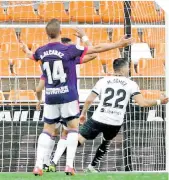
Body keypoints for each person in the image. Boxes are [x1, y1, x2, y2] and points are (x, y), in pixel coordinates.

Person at [21, 18, 133, 176]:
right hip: (68, 96)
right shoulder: (68, 50)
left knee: (47, 130)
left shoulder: (41, 51)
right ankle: (69, 166)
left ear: (47, 34)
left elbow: (31, 56)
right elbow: (94, 50)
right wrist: (117, 44)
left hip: (51, 96)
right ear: (60, 32)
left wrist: (25, 50)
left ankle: (38, 165)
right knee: (72, 129)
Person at [76, 58, 168, 173]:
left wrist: (83, 113)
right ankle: (92, 167)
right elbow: (142, 103)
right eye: (128, 68)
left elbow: (89, 100)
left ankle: (62, 159)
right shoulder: (131, 84)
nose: (129, 69)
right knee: (106, 141)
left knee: (80, 138)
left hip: (99, 118)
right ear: (124, 68)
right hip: (115, 122)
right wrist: (159, 101)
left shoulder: (103, 81)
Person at [35, 36, 98, 172]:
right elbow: (94, 54)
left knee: (51, 131)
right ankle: (61, 163)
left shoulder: (48, 64)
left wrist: (39, 100)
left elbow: (39, 88)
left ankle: (44, 163)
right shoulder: (70, 60)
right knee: (69, 131)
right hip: (68, 99)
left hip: (51, 100)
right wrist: (85, 37)